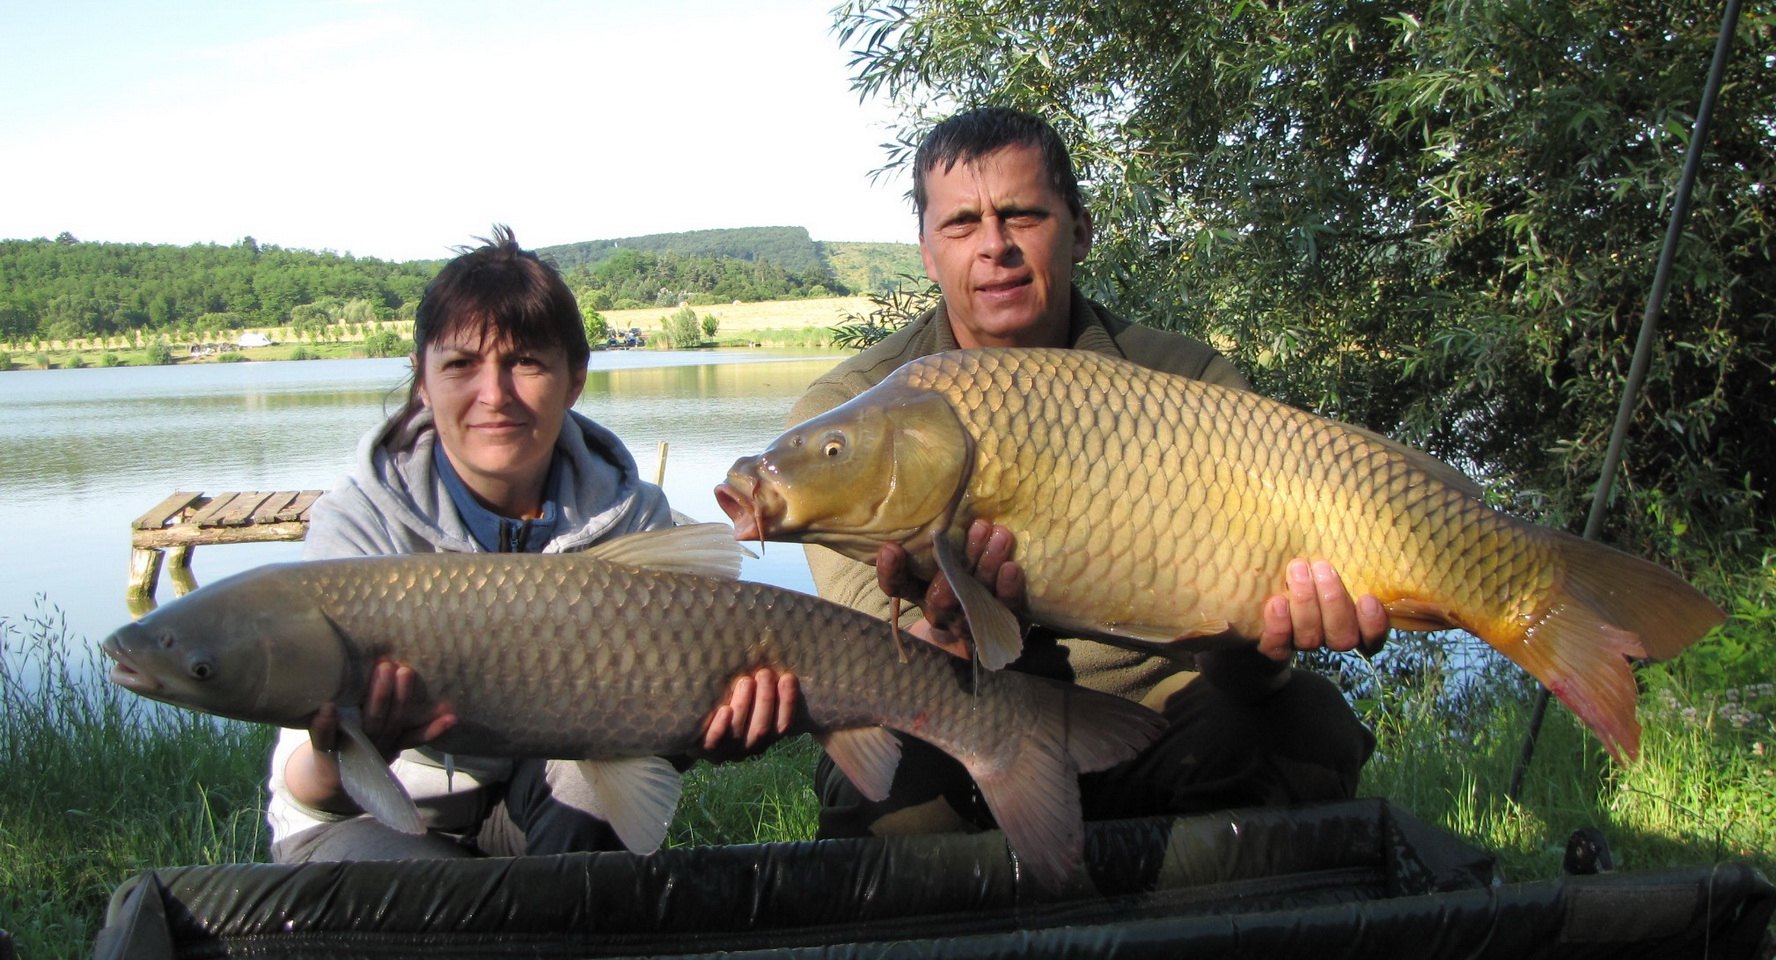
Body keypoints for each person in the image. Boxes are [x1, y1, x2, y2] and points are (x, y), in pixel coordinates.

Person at [786, 106, 1388, 839]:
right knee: (883, 794)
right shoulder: (849, 418)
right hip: (962, 713)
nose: (994, 247)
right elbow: (867, 664)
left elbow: (1244, 677)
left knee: (1305, 725)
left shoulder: (1184, 381)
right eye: (961, 224)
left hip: (1152, 718)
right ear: (924, 250)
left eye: (1022, 215)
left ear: (1079, 228)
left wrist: (1268, 642)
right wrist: (948, 636)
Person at [266, 226, 789, 862]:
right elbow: (311, 785)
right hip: (369, 817)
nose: (494, 394)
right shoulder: (360, 524)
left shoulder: (637, 519)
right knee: (423, 910)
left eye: (526, 362)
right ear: (423, 381)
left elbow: (655, 745)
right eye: (461, 364)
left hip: (542, 805)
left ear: (574, 380)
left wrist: (703, 732)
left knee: (586, 789)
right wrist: (356, 754)